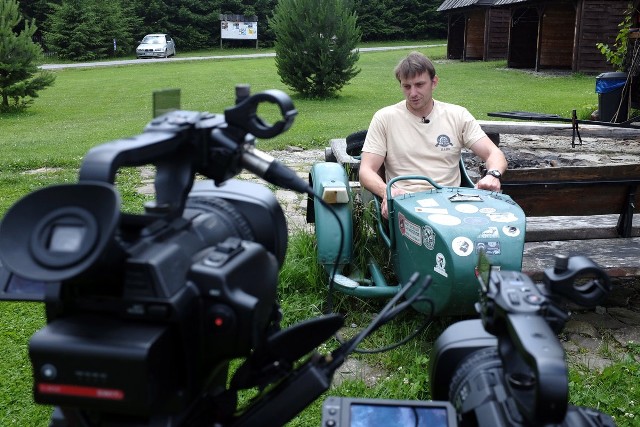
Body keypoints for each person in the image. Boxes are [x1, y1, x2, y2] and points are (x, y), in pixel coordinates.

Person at [359, 51, 507, 218]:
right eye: (406, 86)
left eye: (419, 84)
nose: (413, 93)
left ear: (434, 82)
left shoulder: (457, 115)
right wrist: (388, 191)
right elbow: (366, 170)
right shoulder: (385, 118)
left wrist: (493, 175)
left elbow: (494, 153)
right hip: (406, 203)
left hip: (452, 203)